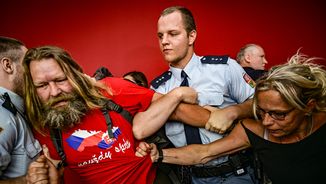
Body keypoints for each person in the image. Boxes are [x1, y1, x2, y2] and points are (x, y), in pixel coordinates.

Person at [22, 45, 215, 183]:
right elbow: (56, 174)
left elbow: (177, 110)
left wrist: (215, 119)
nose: (54, 92)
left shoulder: (113, 90)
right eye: (42, 85)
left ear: (76, 76)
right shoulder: (41, 128)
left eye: (61, 80)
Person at [144, 53, 326, 184]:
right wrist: (158, 154)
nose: (266, 122)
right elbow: (203, 153)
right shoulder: (253, 131)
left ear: (308, 107)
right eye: (261, 112)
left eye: (278, 114)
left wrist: (231, 112)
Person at [134, 6, 256, 184]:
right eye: (160, 36)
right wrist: (178, 93)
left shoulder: (224, 68)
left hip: (234, 173)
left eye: (173, 34)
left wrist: (233, 112)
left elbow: (259, 103)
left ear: (192, 36)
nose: (164, 41)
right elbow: (140, 129)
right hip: (191, 178)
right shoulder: (158, 88)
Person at [0, 36, 42, 182]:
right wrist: (26, 180)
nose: (33, 73)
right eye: (27, 65)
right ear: (8, 65)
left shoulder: (13, 109)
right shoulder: (2, 113)